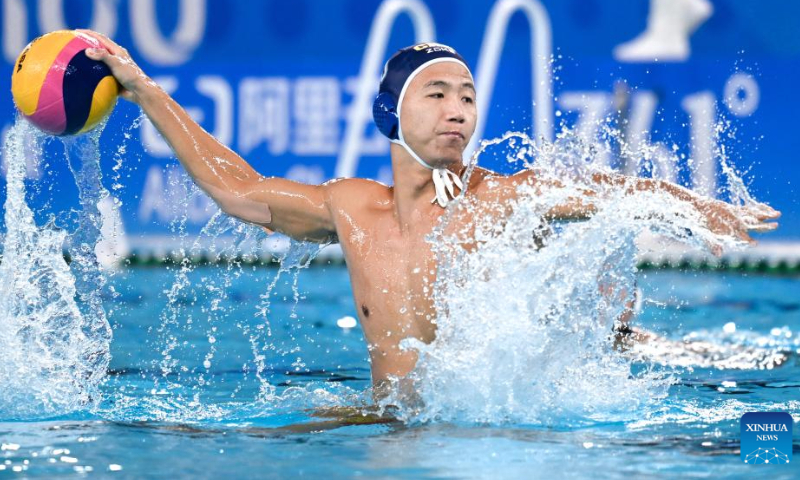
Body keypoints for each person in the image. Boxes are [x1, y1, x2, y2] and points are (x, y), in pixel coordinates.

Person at [80, 32, 779, 399]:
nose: (457, 109)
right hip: (388, 426)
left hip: (488, 434)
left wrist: (698, 207)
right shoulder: (352, 208)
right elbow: (236, 189)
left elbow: (604, 189)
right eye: (437, 94)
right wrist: (144, 91)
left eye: (467, 96)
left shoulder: (499, 198)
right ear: (392, 111)